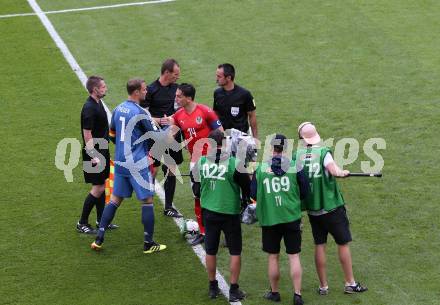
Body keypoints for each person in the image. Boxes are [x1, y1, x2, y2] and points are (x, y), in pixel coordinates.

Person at [91, 78, 175, 253]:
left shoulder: (118, 109)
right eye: (144, 90)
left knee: (115, 200)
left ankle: (99, 239)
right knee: (147, 201)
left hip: (121, 161)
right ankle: (148, 243)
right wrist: (172, 127)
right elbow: (160, 139)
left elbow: (112, 135)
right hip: (137, 164)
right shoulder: (141, 112)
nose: (146, 92)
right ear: (136, 92)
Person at [295, 122, 368, 295]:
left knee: (319, 245)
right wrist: (343, 172)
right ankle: (350, 283)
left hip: (313, 210)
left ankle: (323, 286)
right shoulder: (323, 152)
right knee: (343, 243)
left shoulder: (296, 156)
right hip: (332, 208)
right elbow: (334, 171)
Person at [191, 129, 249, 302]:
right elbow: (247, 188)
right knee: (235, 251)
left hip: (209, 212)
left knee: (210, 250)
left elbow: (195, 189)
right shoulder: (234, 163)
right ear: (224, 143)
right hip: (230, 212)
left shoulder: (201, 161)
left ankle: (212, 286)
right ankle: (234, 289)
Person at [251, 134, 309, 305]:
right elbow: (305, 191)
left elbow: (253, 194)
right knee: (294, 256)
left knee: (273, 257)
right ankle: (297, 294)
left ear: (271, 149)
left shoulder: (260, 169)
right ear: (285, 149)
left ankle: (274, 292)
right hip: (291, 216)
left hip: (270, 219)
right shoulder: (295, 166)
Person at [165, 83, 223, 246]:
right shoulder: (177, 116)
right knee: (197, 196)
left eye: (179, 96)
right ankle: (204, 232)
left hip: (212, 161)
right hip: (195, 163)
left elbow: (221, 133)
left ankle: (222, 231)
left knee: (217, 196)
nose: (176, 98)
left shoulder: (205, 112)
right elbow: (170, 137)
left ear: (188, 98)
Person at [141, 59, 183, 218]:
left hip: (172, 133)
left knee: (171, 168)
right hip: (156, 135)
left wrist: (172, 117)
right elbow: (143, 114)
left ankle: (168, 207)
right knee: (154, 169)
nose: (177, 77)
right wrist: (158, 120)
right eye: (175, 74)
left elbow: (180, 109)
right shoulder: (151, 90)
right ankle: (147, 201)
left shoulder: (177, 89)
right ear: (166, 73)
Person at [78, 75, 118, 234]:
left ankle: (102, 220)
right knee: (98, 188)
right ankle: (82, 222)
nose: (105, 88)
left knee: (102, 185)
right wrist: (93, 155)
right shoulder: (89, 108)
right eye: (103, 86)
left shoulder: (97, 102)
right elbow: (87, 134)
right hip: (94, 153)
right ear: (95, 90)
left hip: (102, 149)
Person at [213, 63, 258, 139]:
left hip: (241, 138)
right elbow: (215, 114)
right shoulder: (217, 93)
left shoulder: (245, 94)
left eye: (219, 76)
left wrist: (255, 138)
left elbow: (252, 116)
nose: (216, 79)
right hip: (223, 137)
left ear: (228, 78)